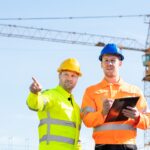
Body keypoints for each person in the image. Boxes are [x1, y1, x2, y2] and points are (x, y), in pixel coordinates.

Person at [81, 43, 150, 150]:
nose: (109, 63)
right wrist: (102, 113)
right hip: (102, 146)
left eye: (113, 60)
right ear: (101, 64)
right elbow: (87, 120)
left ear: (120, 63)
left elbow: (148, 121)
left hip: (128, 146)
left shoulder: (134, 91)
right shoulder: (91, 91)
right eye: (106, 60)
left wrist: (138, 116)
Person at [26, 58, 82, 150]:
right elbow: (36, 104)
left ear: (77, 79)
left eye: (73, 76)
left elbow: (76, 139)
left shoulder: (76, 107)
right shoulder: (51, 95)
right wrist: (34, 93)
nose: (69, 78)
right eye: (66, 74)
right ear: (59, 76)